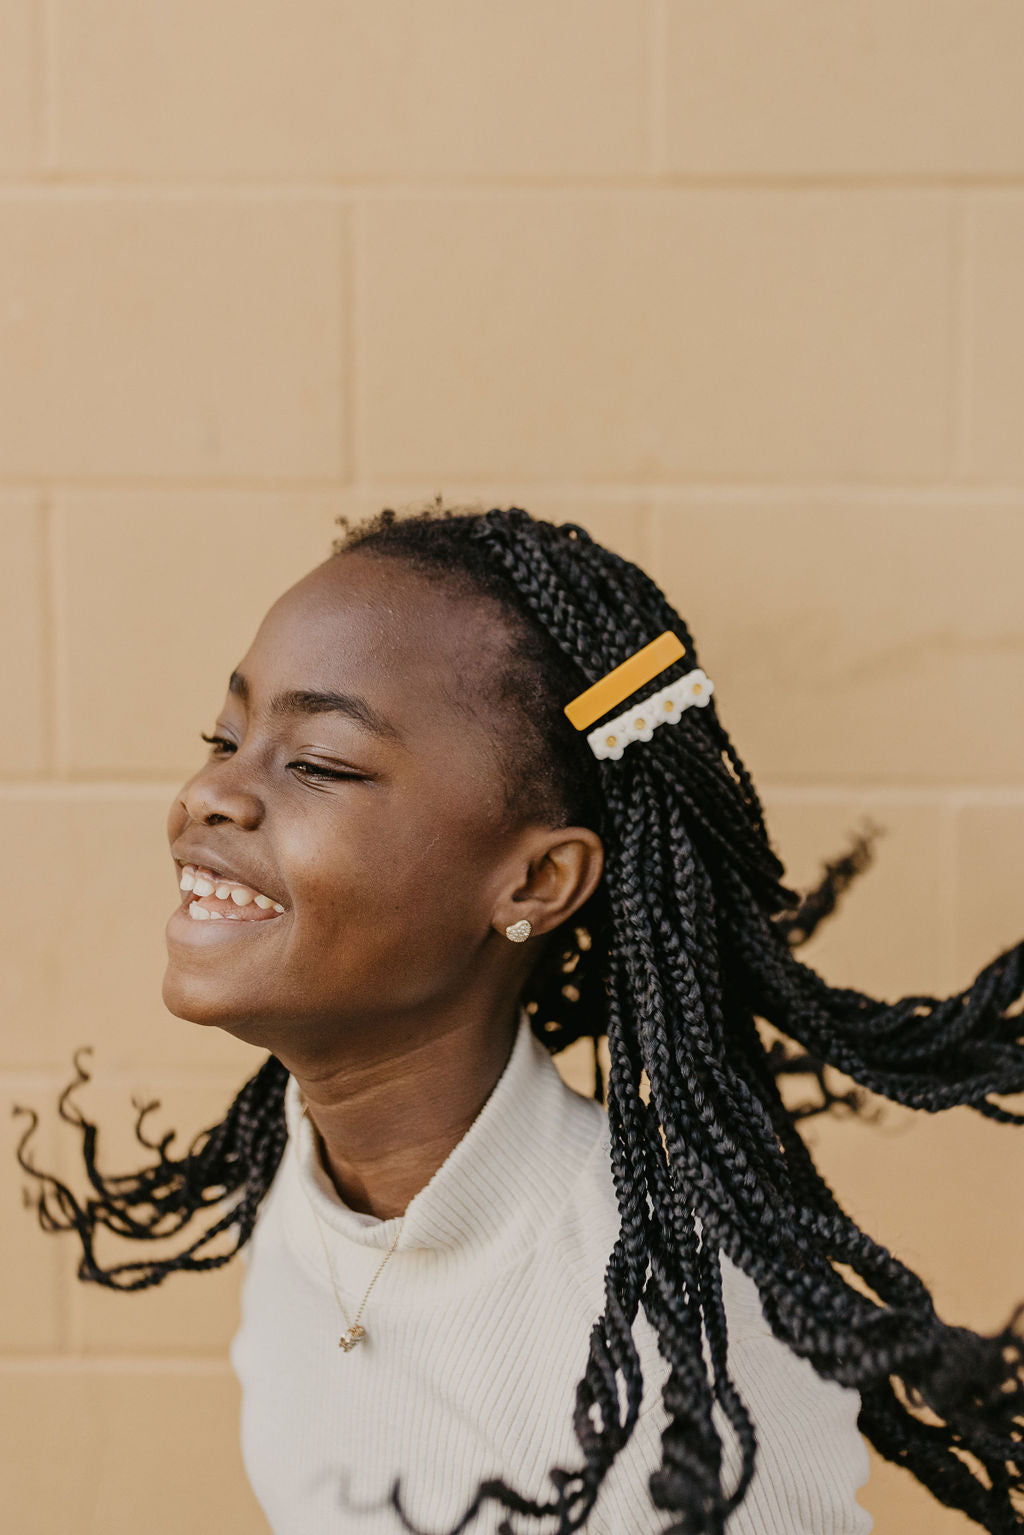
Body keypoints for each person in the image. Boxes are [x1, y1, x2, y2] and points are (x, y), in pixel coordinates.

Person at [14, 502, 1024, 1535]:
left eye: (318, 760)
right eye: (224, 737)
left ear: (537, 879)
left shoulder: (690, 1347)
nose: (210, 790)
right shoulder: (302, 1183)